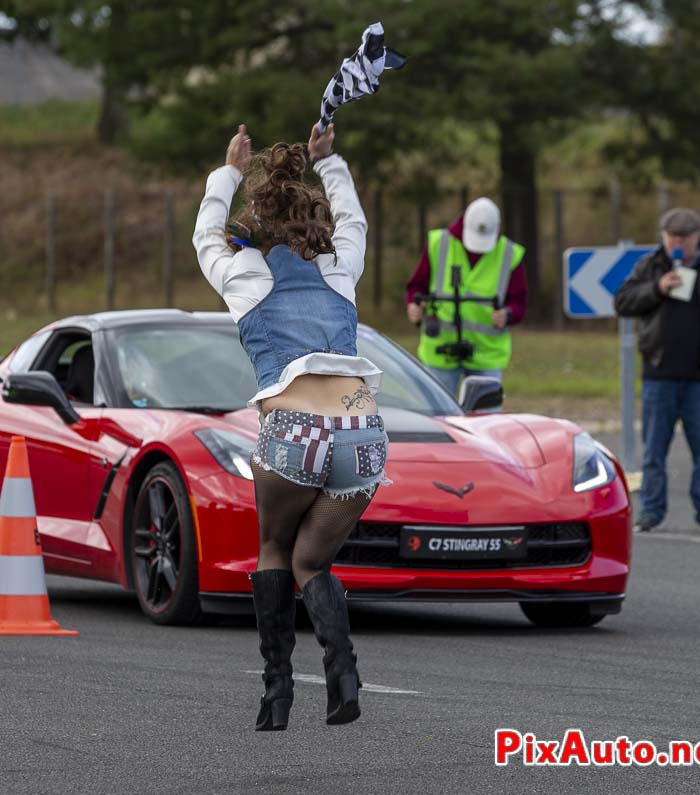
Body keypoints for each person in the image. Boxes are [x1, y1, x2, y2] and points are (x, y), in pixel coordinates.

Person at [193, 122, 389, 730]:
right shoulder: (339, 269)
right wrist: (330, 161)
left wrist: (226, 172)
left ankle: (277, 693)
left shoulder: (246, 275)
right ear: (312, 222)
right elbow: (354, 222)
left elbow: (205, 236)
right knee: (314, 563)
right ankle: (344, 674)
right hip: (364, 435)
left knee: (275, 549)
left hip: (295, 431)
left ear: (257, 223)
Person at [614, 207, 700, 534]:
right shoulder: (649, 267)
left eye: (683, 237)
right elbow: (623, 302)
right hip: (659, 374)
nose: (677, 241)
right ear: (663, 236)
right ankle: (651, 510)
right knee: (654, 452)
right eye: (671, 235)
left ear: (696, 238)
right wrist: (657, 289)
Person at [405, 197, 528, 400]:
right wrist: (414, 305)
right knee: (438, 418)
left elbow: (519, 302)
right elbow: (416, 286)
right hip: (440, 351)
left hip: (486, 354)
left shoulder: (509, 254)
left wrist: (508, 314)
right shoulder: (439, 244)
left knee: (486, 420)